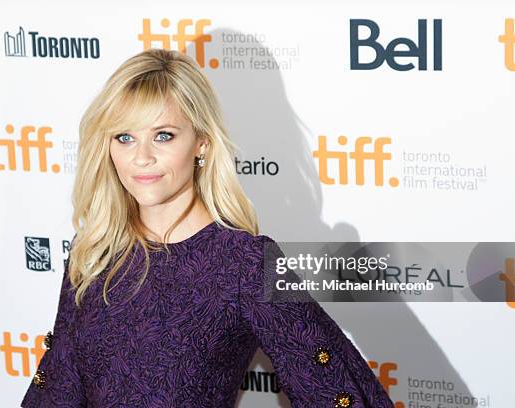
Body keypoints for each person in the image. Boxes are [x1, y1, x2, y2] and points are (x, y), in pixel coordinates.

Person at [20, 48, 394, 407]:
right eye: (124, 137)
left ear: (202, 143)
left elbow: (338, 390)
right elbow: (57, 390)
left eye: (163, 135)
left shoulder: (244, 263)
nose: (141, 157)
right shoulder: (95, 253)